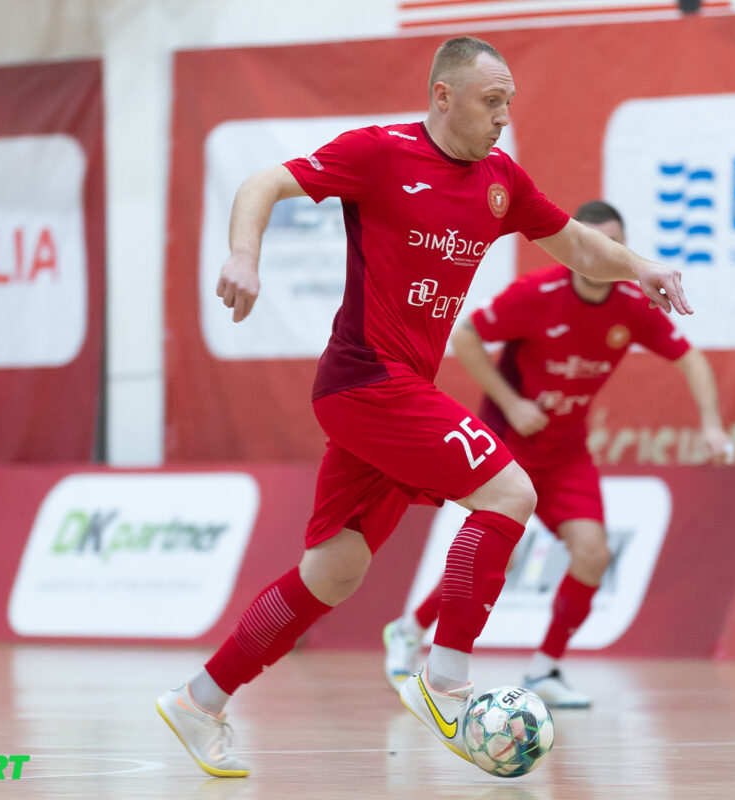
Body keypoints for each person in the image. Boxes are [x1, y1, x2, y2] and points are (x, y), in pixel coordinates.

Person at [156, 38, 692, 778]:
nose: (504, 117)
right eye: (490, 101)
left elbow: (574, 244)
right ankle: (445, 684)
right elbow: (260, 183)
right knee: (511, 492)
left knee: (333, 572)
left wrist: (641, 268)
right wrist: (245, 255)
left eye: (509, 101)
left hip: (394, 389)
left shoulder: (500, 180)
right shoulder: (379, 154)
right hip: (366, 379)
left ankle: (200, 698)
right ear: (443, 96)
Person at [382, 200, 732, 709]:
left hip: (567, 454)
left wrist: (713, 425)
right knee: (495, 555)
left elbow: (690, 358)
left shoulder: (633, 306)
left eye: (613, 243)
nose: (601, 252)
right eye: (592, 242)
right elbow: (466, 337)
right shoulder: (536, 293)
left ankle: (546, 668)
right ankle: (410, 630)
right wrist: (513, 403)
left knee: (593, 553)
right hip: (509, 452)